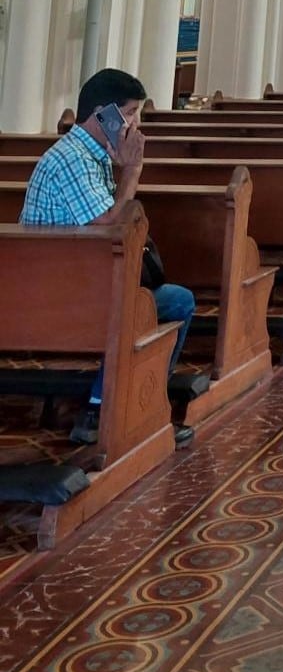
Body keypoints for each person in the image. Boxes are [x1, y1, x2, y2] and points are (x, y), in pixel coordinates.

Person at [20, 68, 196, 448]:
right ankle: (107, 410)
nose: (136, 124)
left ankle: (116, 401)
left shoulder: (87, 154)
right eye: (130, 113)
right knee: (176, 301)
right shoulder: (74, 159)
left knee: (154, 296)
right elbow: (109, 231)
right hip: (59, 297)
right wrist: (132, 170)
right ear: (103, 114)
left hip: (58, 284)